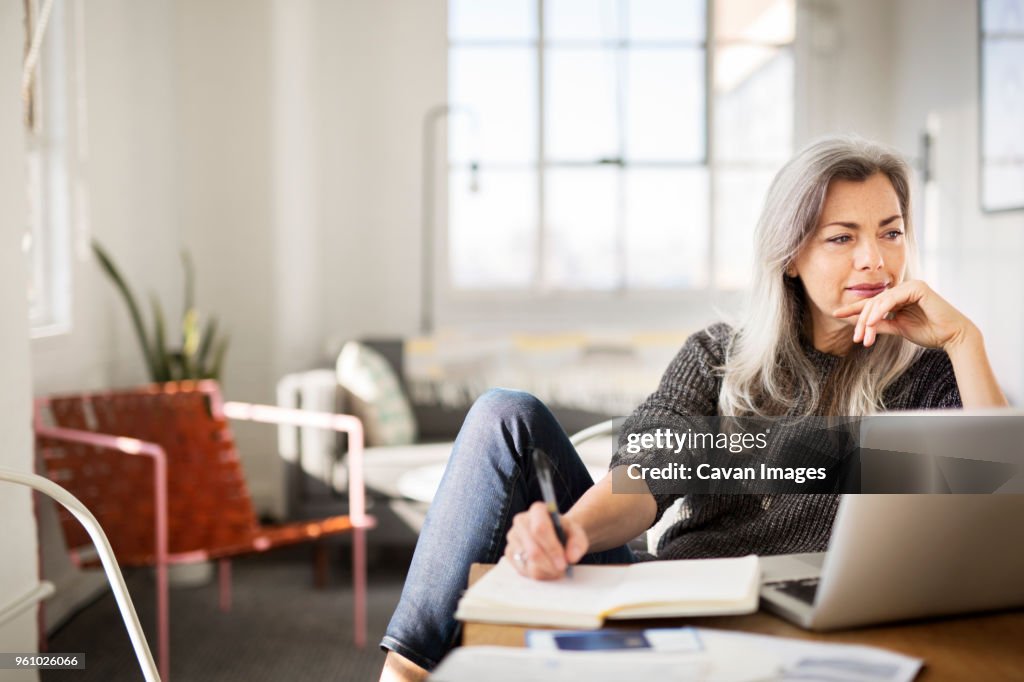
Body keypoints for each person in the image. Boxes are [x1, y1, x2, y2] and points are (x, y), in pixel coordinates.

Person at [378, 136, 1007, 681]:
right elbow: (647, 474)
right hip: (682, 596)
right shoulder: (717, 356)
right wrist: (573, 531)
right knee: (502, 414)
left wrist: (963, 341)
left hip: (819, 615)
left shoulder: (928, 372)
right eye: (842, 237)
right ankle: (401, 672)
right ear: (791, 256)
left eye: (891, 232)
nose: (874, 259)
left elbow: (1005, 503)